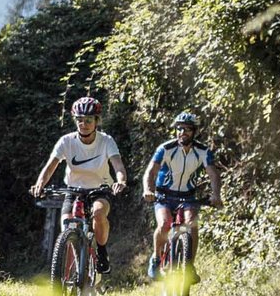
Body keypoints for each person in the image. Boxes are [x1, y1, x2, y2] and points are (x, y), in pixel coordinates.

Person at [30, 96, 129, 273]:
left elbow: (118, 165)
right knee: (66, 226)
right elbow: (50, 166)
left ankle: (102, 251)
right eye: (79, 120)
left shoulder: (106, 141)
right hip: (73, 190)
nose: (83, 124)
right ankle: (72, 269)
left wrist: (120, 181)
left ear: (97, 121)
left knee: (98, 213)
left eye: (88, 120)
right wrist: (39, 184)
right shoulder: (66, 141)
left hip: (100, 189)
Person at [142, 111, 222, 278]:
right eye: (179, 128)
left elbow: (213, 174)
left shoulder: (202, 151)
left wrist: (216, 195)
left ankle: (189, 266)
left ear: (194, 132)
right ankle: (156, 258)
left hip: (188, 196)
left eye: (187, 129)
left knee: (192, 225)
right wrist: (148, 190)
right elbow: (151, 171)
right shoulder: (165, 149)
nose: (182, 132)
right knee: (164, 224)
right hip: (164, 196)